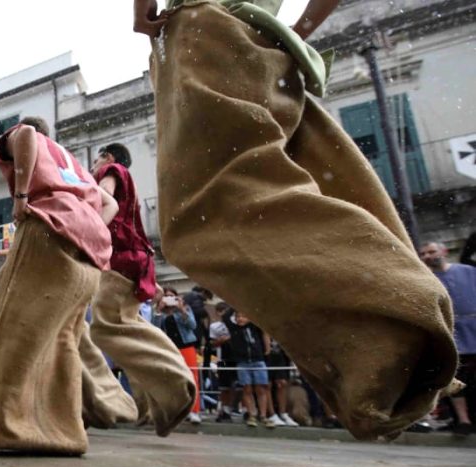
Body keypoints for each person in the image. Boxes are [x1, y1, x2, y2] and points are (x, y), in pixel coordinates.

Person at [135, 0, 458, 440]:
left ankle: (404, 310)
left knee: (202, 215)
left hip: (202, 28)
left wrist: (143, 13)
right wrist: (293, 32)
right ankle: (382, 356)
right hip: (266, 46)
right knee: (310, 175)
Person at [0, 116, 128, 455]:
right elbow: (112, 205)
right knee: (63, 343)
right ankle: (66, 433)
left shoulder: (24, 138)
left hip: (48, 228)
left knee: (13, 331)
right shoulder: (74, 163)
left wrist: (20, 197)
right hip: (90, 250)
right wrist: (86, 226)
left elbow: (28, 134)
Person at [87, 142, 196, 435]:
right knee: (128, 327)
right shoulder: (129, 181)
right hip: (136, 259)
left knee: (105, 329)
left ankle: (176, 386)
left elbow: (105, 197)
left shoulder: (111, 171)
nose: (94, 167)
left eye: (96, 160)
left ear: (108, 157)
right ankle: (153, 405)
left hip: (121, 258)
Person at [420, 242, 476, 436]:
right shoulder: (425, 279)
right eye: (424, 253)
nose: (428, 256)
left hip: (473, 328)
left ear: (444, 252)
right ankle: (463, 420)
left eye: (432, 251)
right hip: (450, 333)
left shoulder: (468, 271)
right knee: (454, 379)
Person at [150, 288, 202, 424]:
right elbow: (154, 329)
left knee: (192, 378)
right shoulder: (158, 311)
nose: (169, 299)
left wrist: (181, 310)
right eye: (166, 296)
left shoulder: (185, 309)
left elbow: (192, 325)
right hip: (169, 348)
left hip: (186, 347)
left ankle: (194, 411)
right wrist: (158, 311)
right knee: (171, 379)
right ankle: (176, 411)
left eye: (172, 296)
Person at [223, 308, 274, 428]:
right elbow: (226, 316)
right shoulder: (234, 328)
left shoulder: (254, 327)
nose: (240, 319)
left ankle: (263, 415)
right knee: (247, 389)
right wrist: (234, 305)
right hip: (242, 362)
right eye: (238, 316)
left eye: (244, 316)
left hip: (258, 360)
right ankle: (252, 414)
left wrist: (267, 348)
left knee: (261, 388)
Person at [209, 302, 237, 423]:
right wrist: (221, 340)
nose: (222, 313)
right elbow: (212, 343)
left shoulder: (236, 323)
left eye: (224, 311)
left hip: (238, 357)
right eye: (220, 311)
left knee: (239, 385)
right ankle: (224, 409)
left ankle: (238, 408)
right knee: (224, 386)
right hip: (223, 358)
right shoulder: (215, 326)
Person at [266, 337, 300, 427]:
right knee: (267, 384)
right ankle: (271, 414)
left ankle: (283, 414)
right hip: (265, 353)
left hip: (279, 353)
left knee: (282, 383)